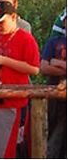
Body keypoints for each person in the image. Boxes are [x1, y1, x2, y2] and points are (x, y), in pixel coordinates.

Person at [0, 1, 39, 158]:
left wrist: (4, 61)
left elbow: (34, 69)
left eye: (1, 22)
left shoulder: (26, 39)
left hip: (10, 102)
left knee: (6, 151)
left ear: (13, 17)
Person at [40, 9, 66, 159]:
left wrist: (58, 63)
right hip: (55, 96)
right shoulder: (54, 42)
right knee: (53, 136)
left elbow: (50, 64)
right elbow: (43, 68)